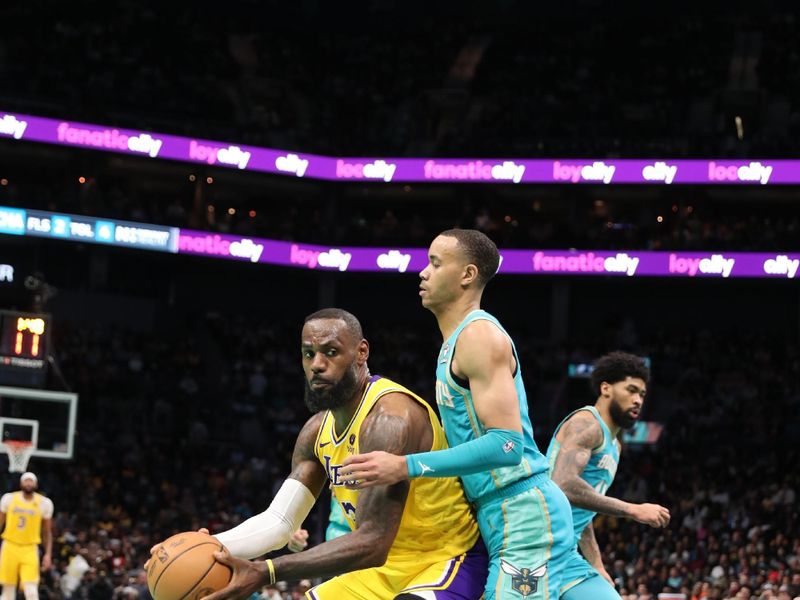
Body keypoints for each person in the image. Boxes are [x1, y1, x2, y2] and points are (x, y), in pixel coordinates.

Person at [340, 230, 573, 599]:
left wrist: (405, 465)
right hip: (500, 514)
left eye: (435, 263)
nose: (423, 273)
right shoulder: (456, 343)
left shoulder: (479, 337)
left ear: (467, 275)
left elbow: (508, 445)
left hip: (523, 513)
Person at [199, 308, 487, 599]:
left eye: (331, 352)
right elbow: (280, 522)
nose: (317, 365)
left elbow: (373, 542)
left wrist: (269, 571)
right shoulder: (315, 433)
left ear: (362, 352)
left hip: (446, 561)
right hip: (379, 571)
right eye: (308, 354)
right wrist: (204, 547)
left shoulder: (390, 419)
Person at [546, 352, 671, 599]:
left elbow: (581, 510)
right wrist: (632, 509)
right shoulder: (586, 423)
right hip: (538, 544)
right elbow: (563, 484)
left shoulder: (615, 446)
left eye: (642, 395)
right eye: (631, 390)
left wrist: (596, 564)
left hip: (566, 553)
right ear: (606, 388)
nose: (637, 400)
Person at [0, 472, 53, 600]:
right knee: (8, 590)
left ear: (36, 484)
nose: (28, 483)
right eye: (26, 481)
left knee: (31, 591)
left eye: (31, 481)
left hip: (30, 548)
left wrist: (47, 554)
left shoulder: (44, 503)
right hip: (9, 546)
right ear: (21, 483)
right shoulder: (9, 499)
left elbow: (47, 532)